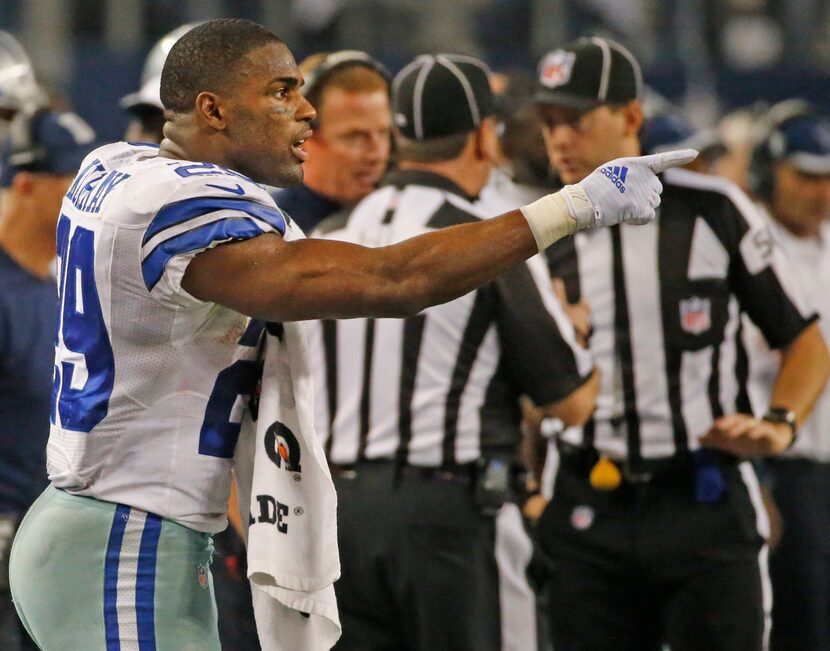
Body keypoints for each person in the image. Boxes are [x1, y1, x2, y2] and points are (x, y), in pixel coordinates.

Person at [7, 19, 691, 650]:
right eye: (281, 92)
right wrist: (571, 206)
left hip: (110, 526)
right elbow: (393, 280)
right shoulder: (182, 207)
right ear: (212, 109)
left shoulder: (115, 168)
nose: (306, 112)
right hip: (126, 535)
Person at [533, 36, 829, 651]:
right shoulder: (534, 226)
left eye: (576, 121)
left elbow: (804, 341)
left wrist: (780, 423)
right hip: (588, 505)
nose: (559, 139)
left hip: (704, 497)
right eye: (549, 122)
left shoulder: (713, 210)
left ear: (631, 118)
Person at [308, 52, 597, 651]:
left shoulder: (322, 239)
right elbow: (572, 403)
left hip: (334, 519)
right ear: (483, 137)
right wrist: (576, 332)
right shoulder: (486, 240)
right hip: (450, 517)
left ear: (400, 139)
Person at [121, 22, 260, 650]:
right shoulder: (150, 217)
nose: (161, 140)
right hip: (175, 515)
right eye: (153, 121)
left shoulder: (264, 213)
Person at [0, 109, 96, 651]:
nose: (89, 204)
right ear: (28, 186)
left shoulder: (70, 290)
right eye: (73, 185)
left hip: (51, 553)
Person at [741, 100, 830, 651]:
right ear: (767, 173)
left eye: (828, 177)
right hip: (782, 469)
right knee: (797, 627)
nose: (820, 190)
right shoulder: (747, 245)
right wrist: (759, 482)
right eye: (805, 175)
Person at [270, 50, 392, 233]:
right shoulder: (267, 228)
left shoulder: (409, 214)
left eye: (384, 133)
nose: (377, 154)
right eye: (355, 137)